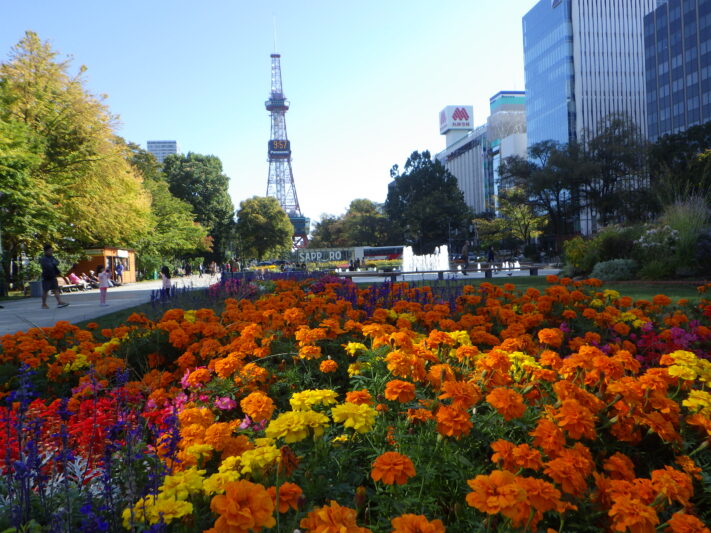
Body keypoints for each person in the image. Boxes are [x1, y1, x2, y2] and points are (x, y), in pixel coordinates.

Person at [39, 244, 69, 309]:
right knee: (45, 291)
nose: (51, 252)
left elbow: (57, 262)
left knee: (56, 289)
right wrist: (53, 263)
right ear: (45, 251)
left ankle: (59, 302)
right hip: (46, 277)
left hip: (53, 276)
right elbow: (48, 266)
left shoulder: (52, 257)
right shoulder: (43, 259)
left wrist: (53, 264)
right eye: (49, 251)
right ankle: (44, 304)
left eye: (51, 250)